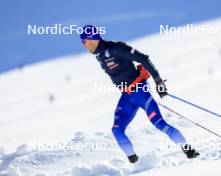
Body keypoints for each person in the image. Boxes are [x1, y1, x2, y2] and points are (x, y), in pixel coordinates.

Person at [80, 25, 199, 163]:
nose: (83, 45)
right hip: (127, 96)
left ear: (92, 39)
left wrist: (159, 82)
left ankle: (189, 151)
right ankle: (135, 163)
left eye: (84, 41)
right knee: (117, 130)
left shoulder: (116, 48)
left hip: (140, 91)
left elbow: (143, 58)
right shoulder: (99, 55)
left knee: (159, 123)